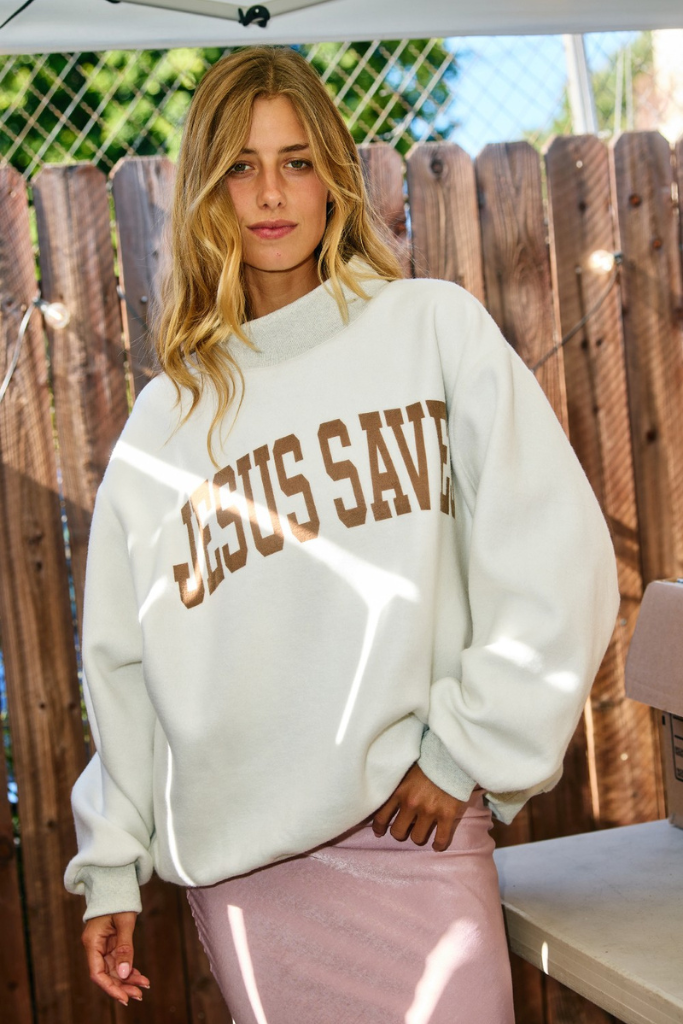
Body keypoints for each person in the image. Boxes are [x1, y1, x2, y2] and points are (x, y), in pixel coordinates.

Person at [64, 45, 619, 1023]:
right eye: (240, 166)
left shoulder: (429, 331)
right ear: (204, 193)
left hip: (414, 836)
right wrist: (110, 865)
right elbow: (121, 666)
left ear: (334, 178)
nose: (270, 192)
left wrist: (464, 750)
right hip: (247, 871)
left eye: (297, 161)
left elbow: (552, 549)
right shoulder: (165, 425)